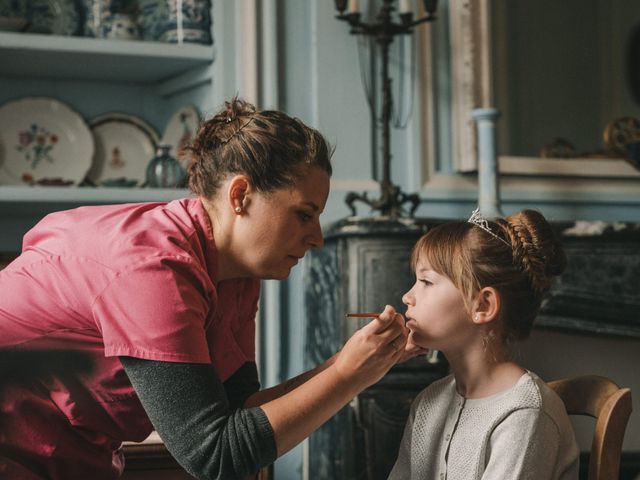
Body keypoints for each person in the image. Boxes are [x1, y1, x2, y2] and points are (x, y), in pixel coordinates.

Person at [0, 97, 415, 480]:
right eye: (304, 214)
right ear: (240, 195)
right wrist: (347, 375)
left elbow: (240, 415)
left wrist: (357, 363)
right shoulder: (153, 269)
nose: (318, 237)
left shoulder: (234, 274)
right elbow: (216, 456)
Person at [387, 208, 580, 480]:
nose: (407, 296)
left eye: (426, 282)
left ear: (483, 305)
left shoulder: (524, 413)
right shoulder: (428, 402)